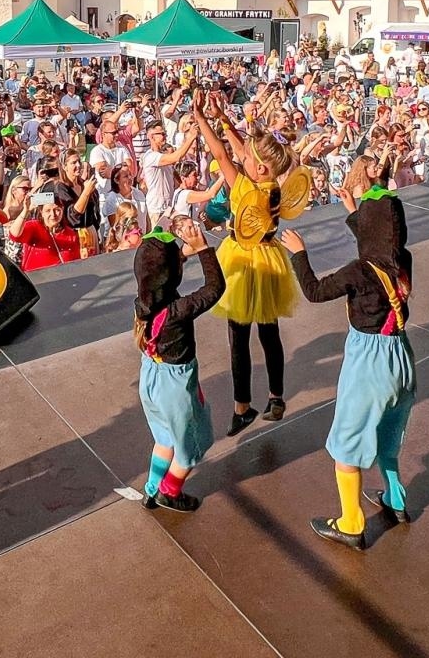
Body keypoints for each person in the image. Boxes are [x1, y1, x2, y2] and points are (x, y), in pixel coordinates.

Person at [283, 165, 416, 549]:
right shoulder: (402, 261)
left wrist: (299, 255)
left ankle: (351, 523)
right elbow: (380, 243)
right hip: (401, 356)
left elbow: (315, 290)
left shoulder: (358, 271)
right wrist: (353, 212)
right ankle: (396, 500)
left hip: (369, 361)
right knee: (389, 435)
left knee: (348, 442)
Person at [192, 94, 308, 437]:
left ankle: (242, 407)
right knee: (269, 334)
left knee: (238, 337)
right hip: (269, 258)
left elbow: (221, 154)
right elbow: (241, 152)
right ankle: (276, 397)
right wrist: (224, 120)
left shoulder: (244, 186)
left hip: (242, 259)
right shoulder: (271, 186)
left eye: (250, 159)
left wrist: (202, 119)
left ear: (259, 166)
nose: (244, 159)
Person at [132, 219, 223, 514]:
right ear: (174, 273)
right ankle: (169, 492)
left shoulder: (143, 303)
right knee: (190, 444)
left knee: (164, 439)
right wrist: (204, 250)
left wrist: (181, 253)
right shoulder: (177, 311)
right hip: (175, 387)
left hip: (151, 380)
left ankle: (151, 490)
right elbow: (214, 288)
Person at [139, 118, 198, 230]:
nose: (165, 136)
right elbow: (176, 156)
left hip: (167, 208)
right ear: (151, 136)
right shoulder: (151, 156)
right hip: (156, 209)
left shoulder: (161, 155)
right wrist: (191, 138)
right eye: (161, 134)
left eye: (165, 133)